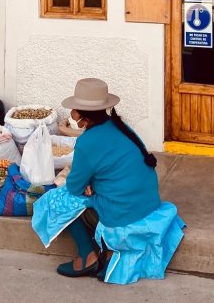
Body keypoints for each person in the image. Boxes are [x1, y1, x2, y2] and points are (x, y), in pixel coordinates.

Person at [32, 78, 185, 284]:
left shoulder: (87, 142)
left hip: (122, 211)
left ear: (81, 117)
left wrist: (87, 186)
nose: (71, 113)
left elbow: (75, 188)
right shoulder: (121, 127)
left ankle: (87, 256)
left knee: (55, 199)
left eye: (74, 109)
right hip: (147, 202)